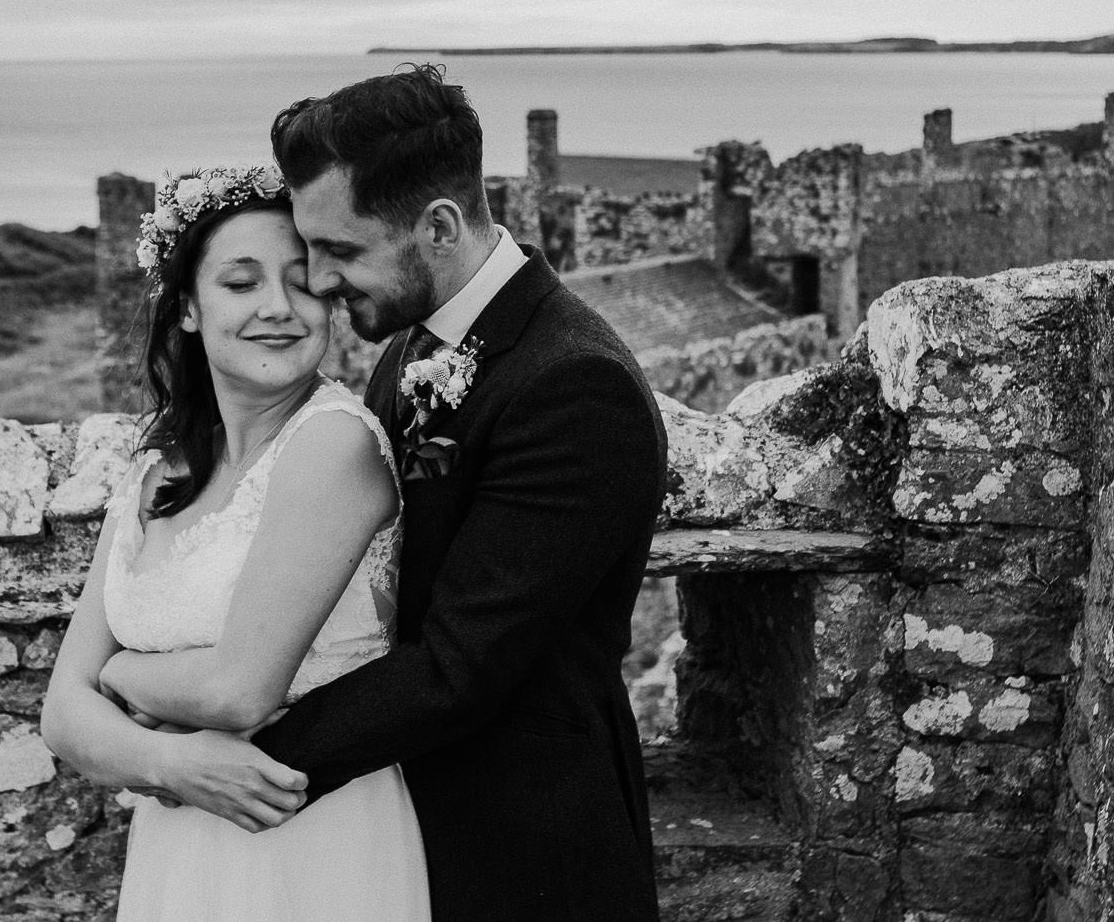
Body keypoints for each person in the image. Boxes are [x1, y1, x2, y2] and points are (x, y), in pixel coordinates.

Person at [220, 63, 667, 921]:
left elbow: (461, 666)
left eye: (340, 250)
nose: (315, 279)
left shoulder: (574, 384)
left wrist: (248, 760)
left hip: (523, 846)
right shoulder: (415, 340)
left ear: (438, 225)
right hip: (405, 824)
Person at [39, 163, 433, 922]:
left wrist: (119, 673)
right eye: (242, 283)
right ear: (188, 307)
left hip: (310, 842)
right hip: (179, 844)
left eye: (302, 281)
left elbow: (238, 690)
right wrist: (170, 760)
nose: (279, 308)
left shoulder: (333, 446)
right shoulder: (158, 467)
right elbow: (60, 713)